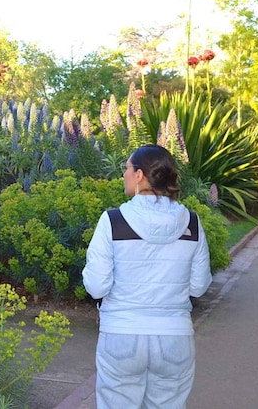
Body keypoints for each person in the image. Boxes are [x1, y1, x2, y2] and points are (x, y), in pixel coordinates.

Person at [83, 144, 212, 408]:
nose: (124, 175)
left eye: (127, 169)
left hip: (121, 335)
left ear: (139, 175)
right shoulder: (192, 223)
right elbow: (199, 287)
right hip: (175, 337)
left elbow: (96, 286)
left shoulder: (113, 221)